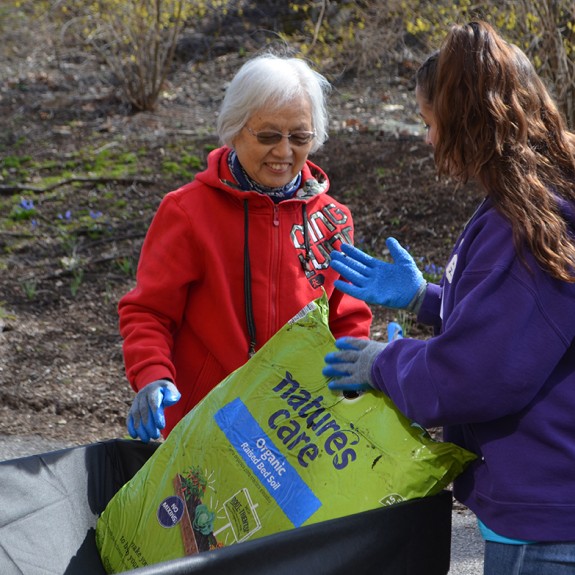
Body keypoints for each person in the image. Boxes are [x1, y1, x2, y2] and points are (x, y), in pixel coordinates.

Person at [323, 21, 575, 574]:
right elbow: (530, 325)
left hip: (546, 520)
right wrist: (427, 299)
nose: (429, 139)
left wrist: (384, 363)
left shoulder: (527, 224)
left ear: (467, 120)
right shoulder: (537, 198)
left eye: (430, 122)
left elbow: (479, 374)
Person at [119, 52, 372, 444]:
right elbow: (149, 312)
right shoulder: (187, 211)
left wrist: (361, 372)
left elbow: (346, 319)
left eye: (300, 137)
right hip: (203, 423)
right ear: (235, 130)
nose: (285, 152)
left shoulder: (333, 220)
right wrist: (152, 376)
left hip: (295, 433)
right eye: (269, 135)